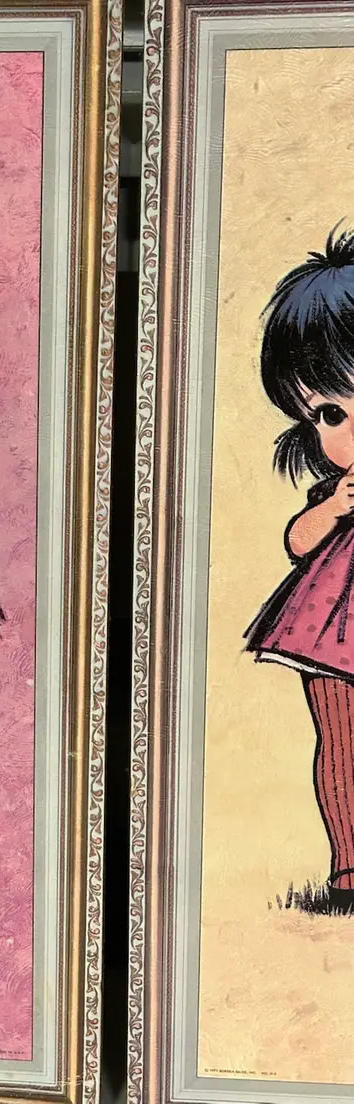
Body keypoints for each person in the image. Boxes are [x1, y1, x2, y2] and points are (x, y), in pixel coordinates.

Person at [246, 228, 354, 906]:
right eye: (331, 413)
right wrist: (335, 507)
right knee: (340, 743)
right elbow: (297, 542)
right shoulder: (337, 491)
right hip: (331, 630)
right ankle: (348, 866)